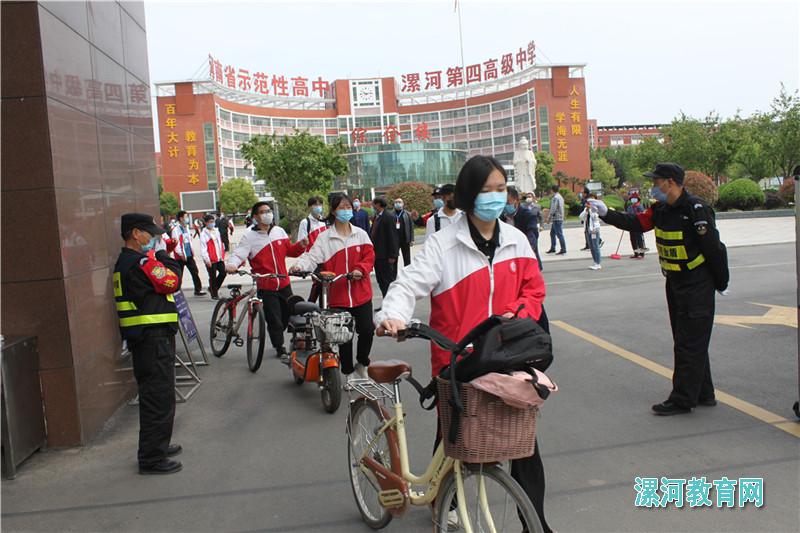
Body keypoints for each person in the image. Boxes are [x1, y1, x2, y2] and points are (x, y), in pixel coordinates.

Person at [376, 155, 553, 533]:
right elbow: (408, 285)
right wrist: (392, 315)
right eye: (487, 190)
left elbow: (534, 288)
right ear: (470, 195)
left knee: (524, 444)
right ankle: (447, 501)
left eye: (501, 189)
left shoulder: (517, 240)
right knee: (455, 436)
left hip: (508, 357)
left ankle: (534, 523)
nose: (495, 197)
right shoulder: (443, 244)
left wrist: (515, 317)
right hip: (459, 359)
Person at [589, 162, 726, 415]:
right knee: (688, 339)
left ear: (671, 182)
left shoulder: (696, 209)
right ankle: (704, 393)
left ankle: (682, 399)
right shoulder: (661, 209)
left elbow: (714, 248)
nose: (653, 186)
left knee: (688, 342)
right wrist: (607, 212)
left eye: (656, 181)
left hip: (697, 283)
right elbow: (636, 223)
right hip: (675, 282)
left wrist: (721, 282)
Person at [114, 213, 183, 475]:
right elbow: (171, 282)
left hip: (147, 338)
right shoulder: (140, 262)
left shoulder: (126, 262)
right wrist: (164, 257)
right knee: (158, 397)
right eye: (148, 232)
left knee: (158, 395)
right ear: (135, 234)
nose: (152, 237)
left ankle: (158, 445)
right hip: (152, 338)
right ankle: (152, 458)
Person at [290, 193, 375, 383]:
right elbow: (311, 257)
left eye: (348, 206)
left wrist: (360, 269)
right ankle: (347, 372)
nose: (346, 210)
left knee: (367, 330)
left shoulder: (361, 234)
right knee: (343, 336)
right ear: (334, 211)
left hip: (361, 293)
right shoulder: (325, 238)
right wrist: (299, 266)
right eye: (341, 207)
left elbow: (369, 256)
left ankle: (362, 363)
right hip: (337, 295)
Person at [226, 202, 306, 362]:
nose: (267, 214)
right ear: (255, 216)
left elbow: (289, 250)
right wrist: (232, 264)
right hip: (266, 284)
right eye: (263, 212)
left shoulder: (279, 231)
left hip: (284, 282)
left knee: (290, 314)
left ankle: (293, 339)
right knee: (274, 318)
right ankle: (279, 347)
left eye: (269, 211)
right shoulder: (249, 236)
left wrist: (300, 246)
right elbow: (239, 253)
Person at [297, 196, 329, 303]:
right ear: (310, 207)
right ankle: (310, 304)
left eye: (320, 204)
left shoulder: (324, 221)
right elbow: (301, 243)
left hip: (326, 258)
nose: (318, 207)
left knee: (326, 285)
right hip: (314, 259)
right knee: (318, 283)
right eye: (315, 205)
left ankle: (322, 308)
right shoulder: (305, 222)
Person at [504, 186, 543, 270]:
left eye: (507, 203)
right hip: (508, 263)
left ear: (517, 201)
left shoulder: (528, 216)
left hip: (526, 258)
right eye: (502, 203)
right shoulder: (500, 218)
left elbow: (532, 235)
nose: (505, 206)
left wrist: (526, 251)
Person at [170, 211, 206, 296]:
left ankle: (198, 290)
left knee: (194, 271)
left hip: (189, 254)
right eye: (186, 217)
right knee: (179, 274)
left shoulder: (186, 227)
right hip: (180, 256)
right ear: (181, 218)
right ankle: (176, 291)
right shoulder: (176, 229)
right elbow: (176, 243)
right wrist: (180, 253)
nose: (187, 219)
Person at [370, 197, 400, 297]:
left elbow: (393, 237)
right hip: (377, 255)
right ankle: (385, 302)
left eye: (373, 204)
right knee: (381, 281)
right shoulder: (377, 216)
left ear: (378, 204)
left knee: (388, 281)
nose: (372, 206)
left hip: (386, 255)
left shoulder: (389, 216)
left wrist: (393, 255)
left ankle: (391, 304)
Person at [200, 214, 227, 299]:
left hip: (219, 257)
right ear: (206, 223)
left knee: (223, 273)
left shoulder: (216, 231)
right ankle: (214, 294)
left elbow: (220, 243)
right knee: (212, 276)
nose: (212, 223)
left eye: (213, 222)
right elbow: (203, 248)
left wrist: (223, 253)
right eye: (210, 222)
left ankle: (213, 288)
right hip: (211, 258)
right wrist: (206, 259)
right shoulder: (203, 234)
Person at [580, 195, 602, 270]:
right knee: (591, 247)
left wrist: (590, 209)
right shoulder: (586, 209)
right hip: (587, 230)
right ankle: (595, 262)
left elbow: (596, 218)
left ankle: (598, 263)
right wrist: (586, 211)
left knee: (595, 246)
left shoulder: (596, 209)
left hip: (594, 230)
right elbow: (581, 217)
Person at [545, 185, 566, 255]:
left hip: (556, 218)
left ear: (552, 190)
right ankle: (553, 247)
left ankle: (563, 248)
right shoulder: (560, 197)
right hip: (559, 217)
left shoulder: (555, 198)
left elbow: (553, 209)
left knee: (559, 234)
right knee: (552, 233)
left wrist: (549, 218)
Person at [393, 197, 414, 265]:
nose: (397, 204)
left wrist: (412, 239)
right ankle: (394, 274)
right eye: (396, 202)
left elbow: (411, 227)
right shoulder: (391, 214)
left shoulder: (408, 214)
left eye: (399, 202)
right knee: (394, 258)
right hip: (395, 240)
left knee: (407, 258)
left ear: (403, 204)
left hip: (405, 239)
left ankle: (407, 272)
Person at [626, 192, 646, 258]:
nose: (633, 200)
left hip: (638, 225)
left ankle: (641, 254)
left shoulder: (640, 206)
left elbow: (642, 215)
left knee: (639, 239)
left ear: (638, 199)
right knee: (633, 239)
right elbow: (628, 214)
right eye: (632, 199)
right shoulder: (630, 207)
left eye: (635, 199)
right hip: (631, 225)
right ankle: (636, 253)